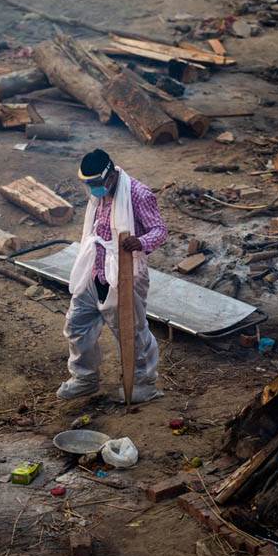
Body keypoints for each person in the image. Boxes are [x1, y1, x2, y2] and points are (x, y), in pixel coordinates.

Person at [57, 149, 168, 403]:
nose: (93, 190)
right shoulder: (99, 193)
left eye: (96, 184)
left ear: (109, 176)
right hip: (95, 267)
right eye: (89, 184)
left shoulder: (137, 194)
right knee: (77, 323)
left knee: (132, 332)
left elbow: (160, 230)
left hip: (125, 272)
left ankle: (143, 382)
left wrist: (139, 242)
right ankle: (84, 378)